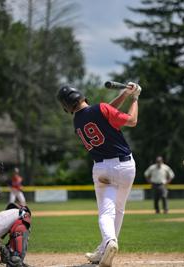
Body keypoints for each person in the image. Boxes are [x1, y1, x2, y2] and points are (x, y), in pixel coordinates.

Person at [56, 82, 141, 267]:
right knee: (118, 210)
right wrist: (134, 98)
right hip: (125, 166)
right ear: (81, 96)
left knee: (106, 211)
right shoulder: (99, 109)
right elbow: (131, 120)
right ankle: (106, 247)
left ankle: (108, 244)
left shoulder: (77, 121)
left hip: (102, 169)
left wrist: (124, 94)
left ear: (66, 106)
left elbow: (105, 111)